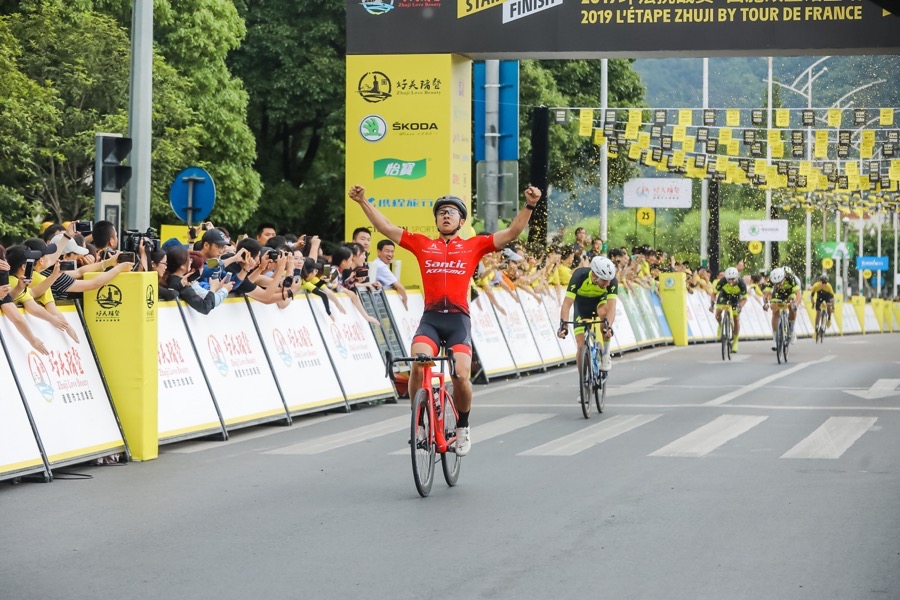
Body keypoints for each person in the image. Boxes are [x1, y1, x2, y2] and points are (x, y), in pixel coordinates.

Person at [348, 183, 542, 457]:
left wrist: (530, 205)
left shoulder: (474, 246)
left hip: (458, 322)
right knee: (418, 362)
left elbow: (512, 232)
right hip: (431, 319)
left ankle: (462, 426)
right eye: (441, 212)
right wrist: (362, 201)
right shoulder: (423, 244)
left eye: (452, 212)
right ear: (436, 220)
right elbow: (387, 228)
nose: (446, 215)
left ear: (461, 221)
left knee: (460, 374)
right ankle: (419, 422)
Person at [557, 255, 618, 381]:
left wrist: (609, 327)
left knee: (604, 313)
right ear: (595, 276)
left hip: (600, 303)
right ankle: (583, 381)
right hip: (581, 306)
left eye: (609, 280)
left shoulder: (612, 281)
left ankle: (605, 354)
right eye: (604, 281)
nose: (608, 284)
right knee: (580, 346)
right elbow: (567, 304)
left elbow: (611, 308)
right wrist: (563, 325)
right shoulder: (579, 276)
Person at [709, 266, 747, 353]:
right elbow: (714, 294)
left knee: (736, 319)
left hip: (736, 298)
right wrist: (712, 304)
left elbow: (744, 299)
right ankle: (720, 324)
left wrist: (740, 306)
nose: (731, 281)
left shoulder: (741, 283)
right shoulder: (722, 281)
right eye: (729, 279)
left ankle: (735, 341)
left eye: (733, 279)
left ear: (737, 277)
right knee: (718, 313)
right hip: (724, 296)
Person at [763, 267, 802, 349]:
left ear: (784, 278)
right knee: (774, 310)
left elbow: (798, 294)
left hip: (790, 293)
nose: (778, 285)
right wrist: (766, 303)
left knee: (792, 306)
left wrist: (796, 304)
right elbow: (766, 293)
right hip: (778, 294)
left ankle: (791, 330)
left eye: (779, 283)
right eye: (775, 284)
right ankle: (775, 339)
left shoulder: (791, 278)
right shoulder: (771, 279)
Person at [372, 239, 408, 309]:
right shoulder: (380, 266)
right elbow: (399, 287)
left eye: (392, 252)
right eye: (387, 251)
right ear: (379, 252)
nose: (390, 254)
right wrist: (405, 300)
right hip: (376, 306)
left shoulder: (378, 264)